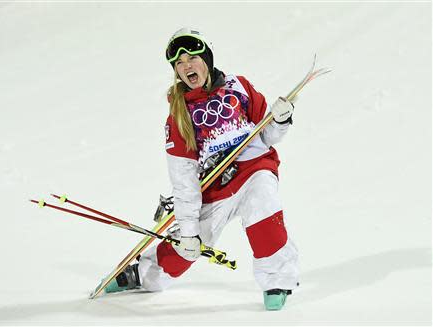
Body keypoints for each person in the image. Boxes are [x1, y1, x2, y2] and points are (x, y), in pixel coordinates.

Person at [104, 27, 299, 311]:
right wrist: (187, 230)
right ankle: (145, 274)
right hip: (214, 187)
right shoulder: (179, 113)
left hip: (254, 169)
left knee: (263, 209)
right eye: (179, 63)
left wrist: (280, 121)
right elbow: (183, 177)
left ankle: (277, 281)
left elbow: (265, 134)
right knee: (193, 242)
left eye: (192, 58)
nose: (186, 66)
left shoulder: (238, 86)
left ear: (206, 59)